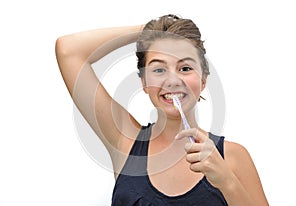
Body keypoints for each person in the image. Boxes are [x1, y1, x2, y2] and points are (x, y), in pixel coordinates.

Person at [55, 14, 269, 205]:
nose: (173, 80)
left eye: (185, 68)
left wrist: (227, 181)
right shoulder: (125, 141)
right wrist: (148, 31)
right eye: (158, 69)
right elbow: (68, 50)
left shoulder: (232, 157)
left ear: (203, 80)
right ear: (144, 82)